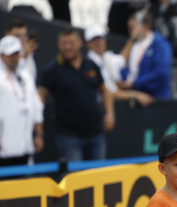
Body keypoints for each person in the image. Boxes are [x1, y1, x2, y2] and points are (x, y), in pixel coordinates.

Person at [38, 26, 115, 161]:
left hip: (96, 133)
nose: (67, 47)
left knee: (99, 175)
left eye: (71, 43)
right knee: (74, 178)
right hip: (68, 136)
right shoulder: (52, 70)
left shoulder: (91, 65)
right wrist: (38, 128)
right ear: (58, 45)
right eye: (64, 44)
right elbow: (39, 96)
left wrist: (109, 112)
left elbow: (104, 90)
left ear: (80, 42)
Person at [84, 24, 155, 107]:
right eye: (94, 39)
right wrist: (136, 95)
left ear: (105, 40)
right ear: (87, 44)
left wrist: (132, 39)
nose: (98, 42)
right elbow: (108, 93)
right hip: (100, 109)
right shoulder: (89, 65)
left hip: (114, 108)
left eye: (100, 38)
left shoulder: (107, 58)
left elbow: (122, 58)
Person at [0, 35, 44, 166]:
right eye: (10, 54)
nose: (14, 58)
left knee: (26, 184)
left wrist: (39, 134)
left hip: (26, 147)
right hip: (4, 150)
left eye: (16, 53)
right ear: (1, 55)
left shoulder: (25, 74)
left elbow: (36, 106)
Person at [118, 10, 174, 100]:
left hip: (156, 99)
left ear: (146, 26)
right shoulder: (132, 44)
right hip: (135, 97)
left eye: (133, 27)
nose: (130, 31)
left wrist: (135, 83)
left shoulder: (160, 44)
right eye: (129, 28)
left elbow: (162, 73)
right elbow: (123, 66)